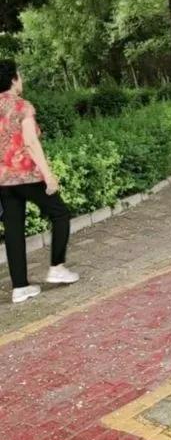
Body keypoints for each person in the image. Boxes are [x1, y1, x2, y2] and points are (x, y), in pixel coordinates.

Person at [0, 60, 79, 304]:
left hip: (3, 180)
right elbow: (31, 142)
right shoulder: (22, 106)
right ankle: (57, 266)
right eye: (19, 75)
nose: (21, 80)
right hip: (28, 175)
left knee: (13, 231)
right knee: (60, 213)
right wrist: (48, 175)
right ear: (13, 79)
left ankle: (20, 287)